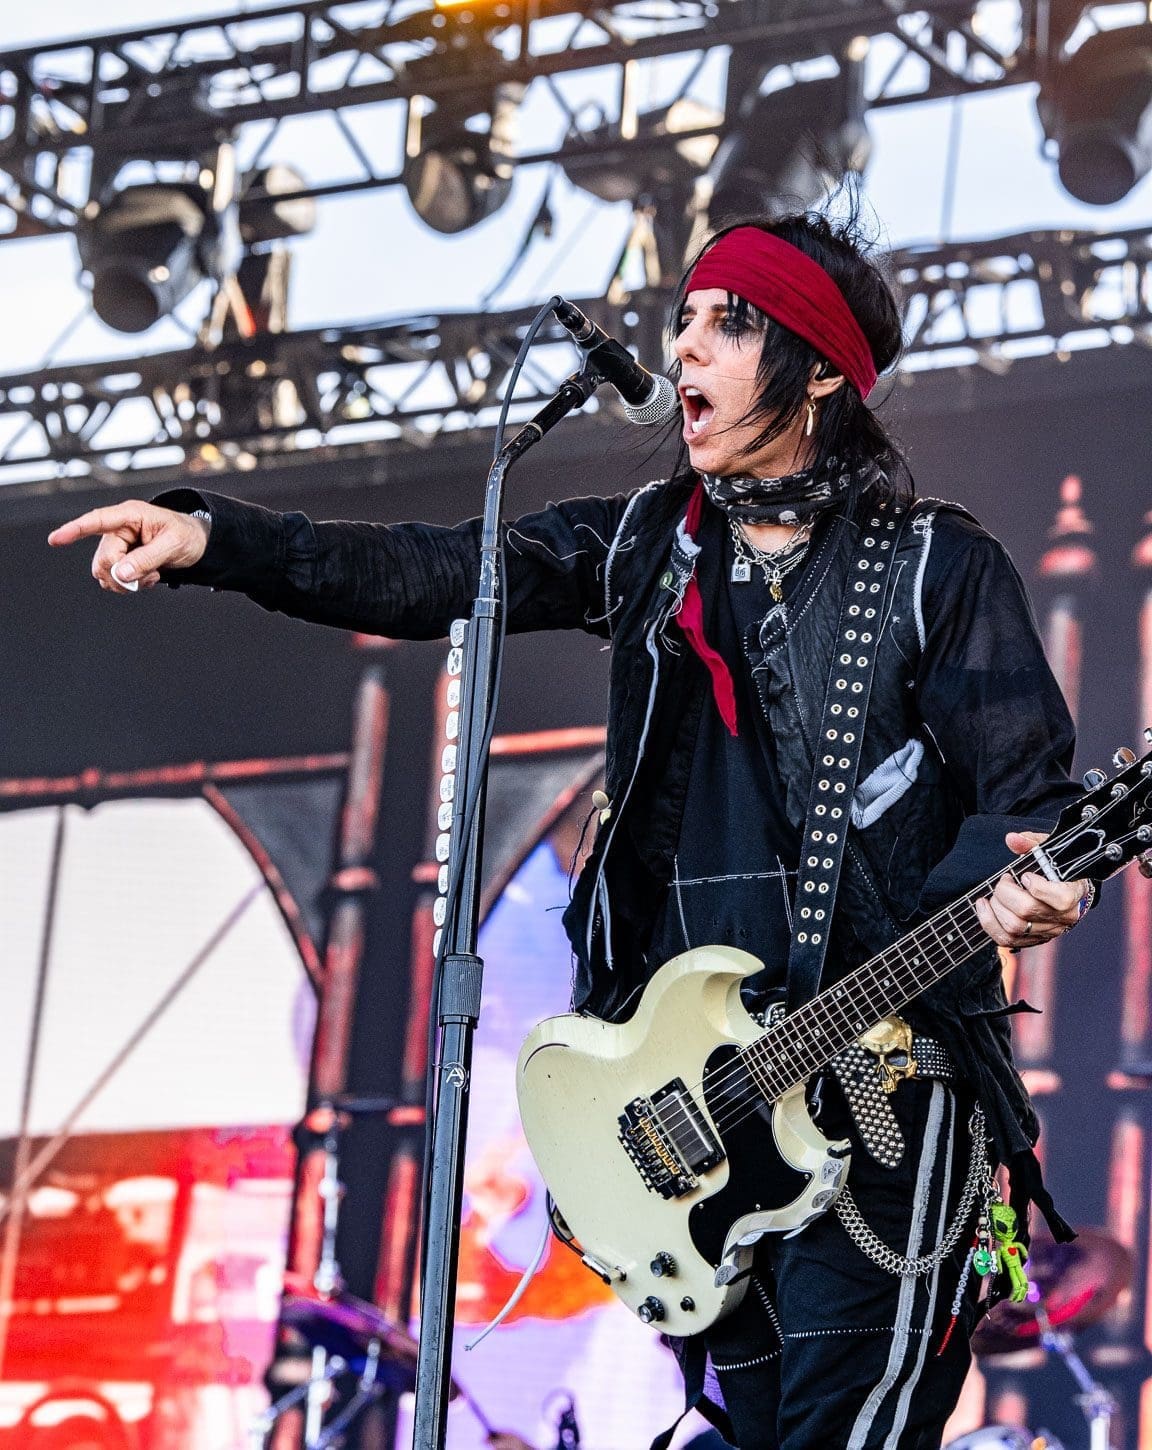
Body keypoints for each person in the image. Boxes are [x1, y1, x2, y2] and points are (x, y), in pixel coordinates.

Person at [49, 208, 1093, 1449]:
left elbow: (1026, 809)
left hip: (883, 1107)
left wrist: (1028, 883)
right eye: (686, 319)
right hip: (710, 1122)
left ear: (817, 366)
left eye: (727, 325)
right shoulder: (653, 545)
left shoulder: (935, 569)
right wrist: (217, 535)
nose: (685, 349)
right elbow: (434, 569)